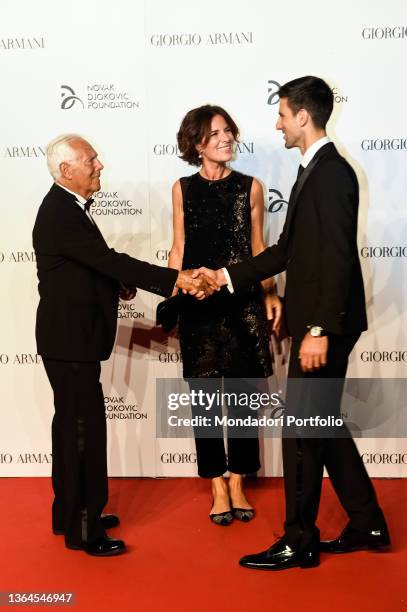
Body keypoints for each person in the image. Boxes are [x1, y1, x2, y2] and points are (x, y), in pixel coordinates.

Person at [195, 77, 390, 568]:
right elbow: (285, 253)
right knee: (323, 425)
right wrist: (223, 275)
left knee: (302, 432)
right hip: (316, 323)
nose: (277, 122)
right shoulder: (313, 169)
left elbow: (340, 257)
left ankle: (298, 540)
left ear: (303, 116)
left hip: (324, 328)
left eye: (281, 114)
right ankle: (367, 522)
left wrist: (318, 329)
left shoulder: (332, 173)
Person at [33, 134, 216, 556]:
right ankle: (85, 527)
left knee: (69, 428)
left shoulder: (67, 208)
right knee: (84, 434)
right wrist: (175, 279)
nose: (100, 165)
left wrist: (119, 284)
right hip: (71, 341)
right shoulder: (61, 212)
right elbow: (107, 259)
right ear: (67, 170)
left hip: (68, 340)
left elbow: (95, 261)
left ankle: (69, 513)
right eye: (91, 160)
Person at [168, 106, 282, 526]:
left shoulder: (251, 187)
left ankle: (238, 479)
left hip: (242, 303)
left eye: (228, 130)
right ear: (197, 143)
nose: (226, 137)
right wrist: (175, 287)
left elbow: (259, 248)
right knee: (204, 400)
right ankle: (216, 481)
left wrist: (270, 294)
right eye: (215, 133)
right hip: (199, 304)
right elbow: (178, 247)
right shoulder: (182, 188)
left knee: (244, 397)